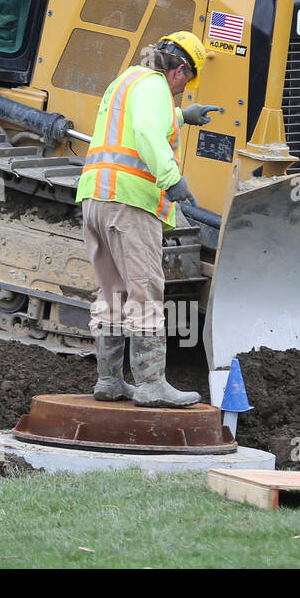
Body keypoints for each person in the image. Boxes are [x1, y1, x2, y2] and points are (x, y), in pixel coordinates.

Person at [75, 32, 223, 407]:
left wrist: (181, 117)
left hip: (95, 198)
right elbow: (145, 131)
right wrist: (172, 178)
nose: (182, 90)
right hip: (129, 204)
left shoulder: (126, 80)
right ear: (180, 70)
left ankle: (109, 380)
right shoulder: (156, 86)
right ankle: (151, 384)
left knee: (113, 293)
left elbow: (135, 120)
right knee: (146, 292)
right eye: (186, 83)